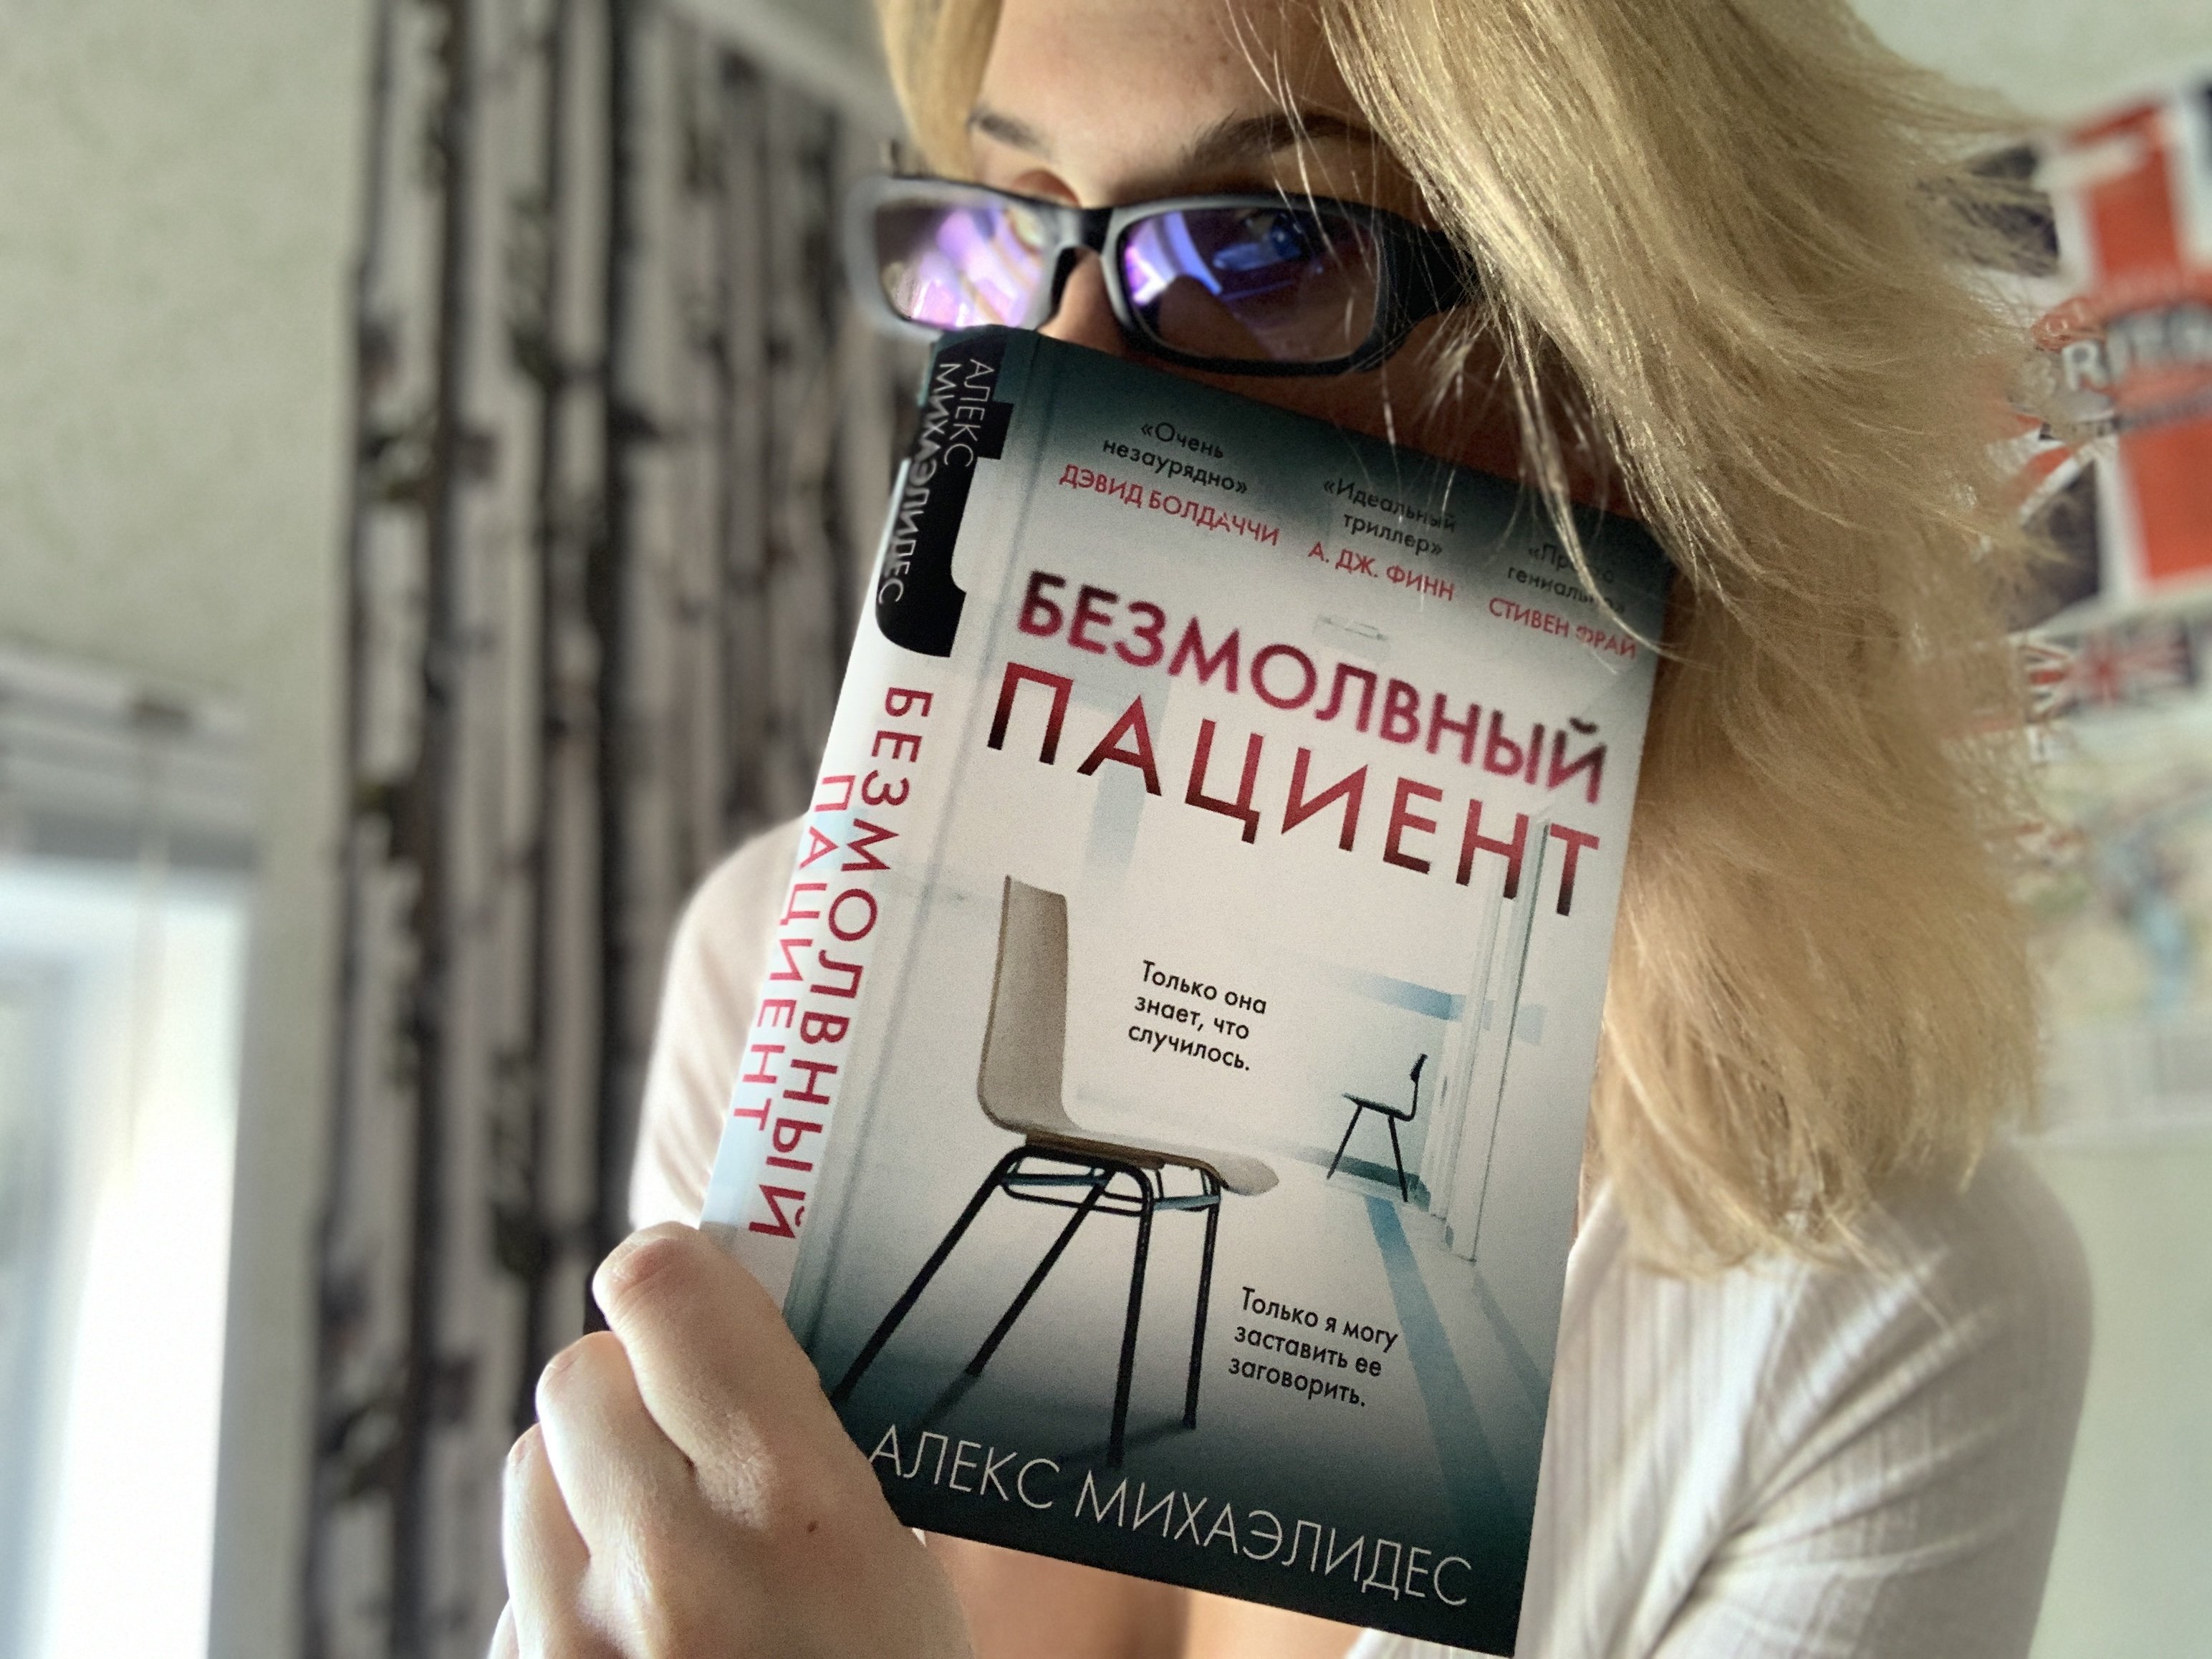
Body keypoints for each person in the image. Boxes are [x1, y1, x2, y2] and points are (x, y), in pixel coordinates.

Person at [492, 0, 2093, 1654]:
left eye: (1267, 245)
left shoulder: (1885, 1313)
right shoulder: (782, 958)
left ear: (1632, 379)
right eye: (1014, 224)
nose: (1045, 367)